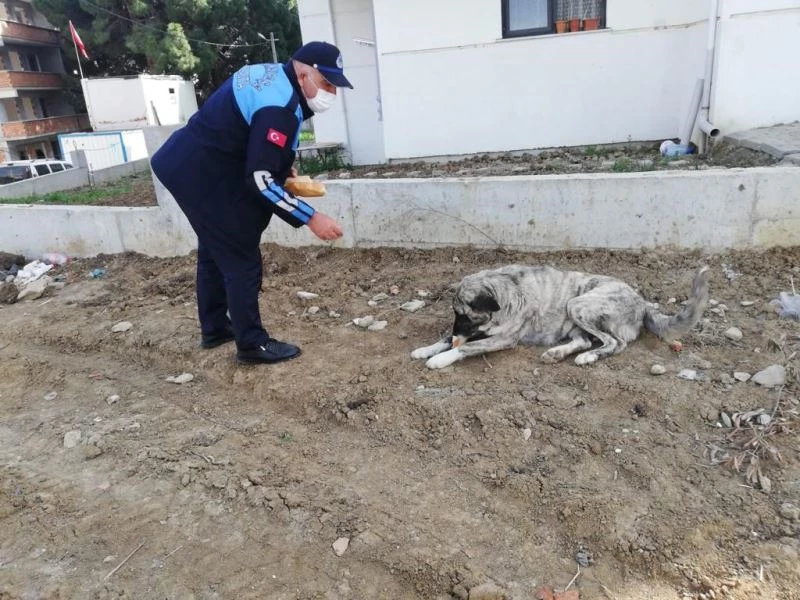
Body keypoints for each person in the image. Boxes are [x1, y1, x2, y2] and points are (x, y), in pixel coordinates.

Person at [150, 41, 351, 364]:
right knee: (240, 252)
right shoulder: (280, 109)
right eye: (326, 83)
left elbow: (242, 127)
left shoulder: (270, 74)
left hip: (188, 161)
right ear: (303, 75)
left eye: (335, 85)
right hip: (200, 172)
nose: (331, 93)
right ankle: (251, 344)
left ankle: (215, 328)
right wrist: (311, 217)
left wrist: (280, 164)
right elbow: (260, 181)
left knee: (215, 248)